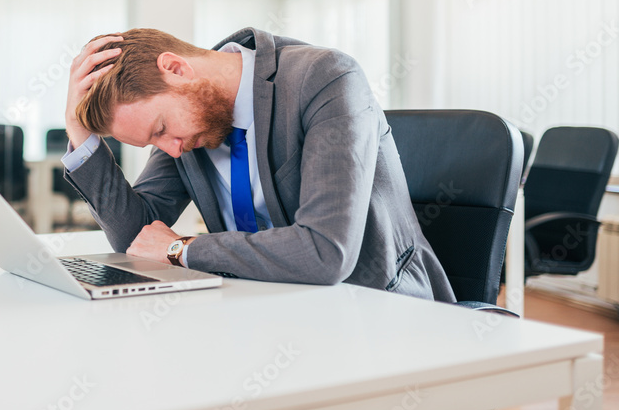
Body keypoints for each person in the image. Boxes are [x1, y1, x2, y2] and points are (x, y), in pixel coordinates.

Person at [61, 27, 455, 302]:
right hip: (264, 310)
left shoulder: (325, 78)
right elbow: (139, 238)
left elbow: (325, 253)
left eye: (162, 129)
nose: (173, 150)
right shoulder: (188, 126)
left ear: (176, 69)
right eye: (154, 141)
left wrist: (183, 249)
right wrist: (79, 133)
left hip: (374, 311)